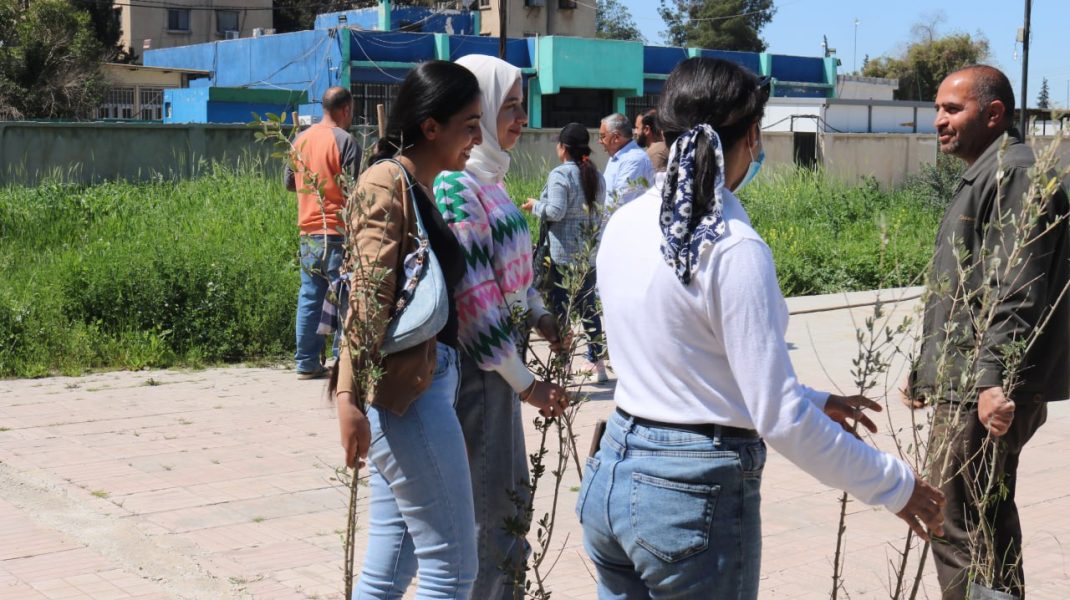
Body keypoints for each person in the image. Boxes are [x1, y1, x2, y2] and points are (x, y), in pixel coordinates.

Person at [578, 56, 946, 599]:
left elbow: (684, 359)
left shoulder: (626, 222)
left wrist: (809, 397)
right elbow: (782, 420)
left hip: (613, 473)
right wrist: (896, 485)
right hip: (687, 498)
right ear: (751, 136)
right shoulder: (732, 245)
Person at [906, 65, 1070, 600]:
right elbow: (966, 285)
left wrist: (991, 380)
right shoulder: (990, 173)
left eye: (953, 109)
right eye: (937, 109)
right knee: (982, 520)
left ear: (994, 113)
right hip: (967, 377)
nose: (939, 120)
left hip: (980, 387)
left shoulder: (1014, 175)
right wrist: (927, 366)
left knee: (955, 522)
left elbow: (1016, 288)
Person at [332, 60, 483, 599]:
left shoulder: (422, 187)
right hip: (410, 395)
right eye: (470, 125)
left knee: (391, 566)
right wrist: (347, 397)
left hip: (421, 385)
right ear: (431, 126)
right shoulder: (385, 181)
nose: (478, 138)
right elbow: (366, 296)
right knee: (453, 567)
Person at [434, 54, 570, 600]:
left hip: (503, 368)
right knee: (492, 512)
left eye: (522, 104)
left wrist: (540, 316)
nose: (521, 117)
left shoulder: (493, 179)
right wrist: (527, 384)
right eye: (508, 106)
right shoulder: (455, 186)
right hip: (482, 371)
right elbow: (475, 301)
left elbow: (514, 277)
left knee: (510, 499)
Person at [521, 123, 608, 383]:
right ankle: (598, 364)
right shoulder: (597, 176)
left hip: (561, 258)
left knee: (561, 312)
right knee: (589, 310)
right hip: (587, 256)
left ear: (563, 147)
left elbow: (555, 211)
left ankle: (562, 365)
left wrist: (535, 205)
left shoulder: (561, 175)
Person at [285, 86, 360, 379]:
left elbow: (289, 183)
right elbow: (355, 189)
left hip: (308, 232)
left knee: (310, 296)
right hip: (338, 232)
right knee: (344, 296)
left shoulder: (299, 140)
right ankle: (343, 361)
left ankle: (306, 363)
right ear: (345, 110)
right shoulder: (345, 141)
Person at [599, 112, 655, 209]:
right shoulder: (616, 156)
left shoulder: (634, 159)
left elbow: (620, 202)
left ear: (616, 137)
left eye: (603, 136)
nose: (600, 141)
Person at [635, 108, 668, 173]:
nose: (635, 132)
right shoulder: (666, 147)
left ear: (647, 129)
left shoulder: (655, 153)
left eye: (637, 128)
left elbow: (651, 179)